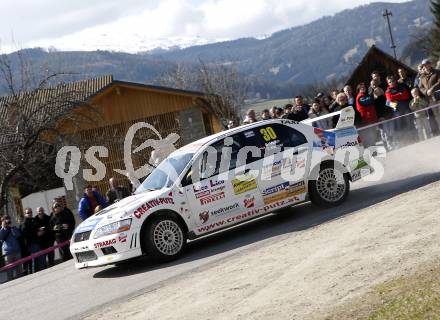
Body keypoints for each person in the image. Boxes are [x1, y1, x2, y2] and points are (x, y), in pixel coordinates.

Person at [385, 75, 414, 147]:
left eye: (393, 81)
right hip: (397, 112)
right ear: (388, 83)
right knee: (399, 127)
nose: (392, 82)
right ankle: (403, 142)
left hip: (406, 109)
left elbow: (406, 96)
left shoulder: (401, 87)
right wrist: (399, 95)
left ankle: (413, 139)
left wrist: (396, 97)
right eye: (390, 82)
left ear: (395, 81)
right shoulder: (388, 91)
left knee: (410, 124)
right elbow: (390, 99)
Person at [19, 208, 43, 273]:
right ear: (25, 214)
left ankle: (42, 272)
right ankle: (35, 274)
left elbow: (35, 229)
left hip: (37, 242)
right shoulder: (24, 223)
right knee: (35, 260)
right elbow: (25, 234)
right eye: (28, 213)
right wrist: (36, 233)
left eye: (31, 212)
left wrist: (39, 230)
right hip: (31, 244)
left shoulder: (33, 220)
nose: (30, 214)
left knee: (40, 260)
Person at [419, 59, 440, 132]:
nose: (424, 66)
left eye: (426, 64)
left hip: (438, 96)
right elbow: (420, 87)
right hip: (430, 99)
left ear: (430, 64)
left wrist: (432, 89)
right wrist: (426, 91)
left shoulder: (437, 72)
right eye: (423, 65)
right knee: (436, 115)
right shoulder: (422, 76)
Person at [0, 215, 23, 281]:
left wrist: (11, 228)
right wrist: (3, 228)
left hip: (16, 251)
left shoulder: (13, 228)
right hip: (8, 253)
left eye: (8, 219)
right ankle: (11, 282)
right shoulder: (2, 230)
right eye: (6, 220)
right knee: (9, 270)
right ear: (3, 221)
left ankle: (21, 281)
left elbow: (18, 235)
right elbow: (1, 237)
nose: (8, 221)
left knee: (19, 269)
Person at [356, 83, 378, 147]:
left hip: (371, 118)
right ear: (358, 89)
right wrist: (371, 94)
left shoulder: (365, 95)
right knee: (370, 136)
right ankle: (372, 151)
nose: (363, 88)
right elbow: (367, 101)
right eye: (361, 88)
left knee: (373, 135)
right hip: (367, 120)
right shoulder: (360, 96)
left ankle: (373, 151)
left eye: (364, 87)